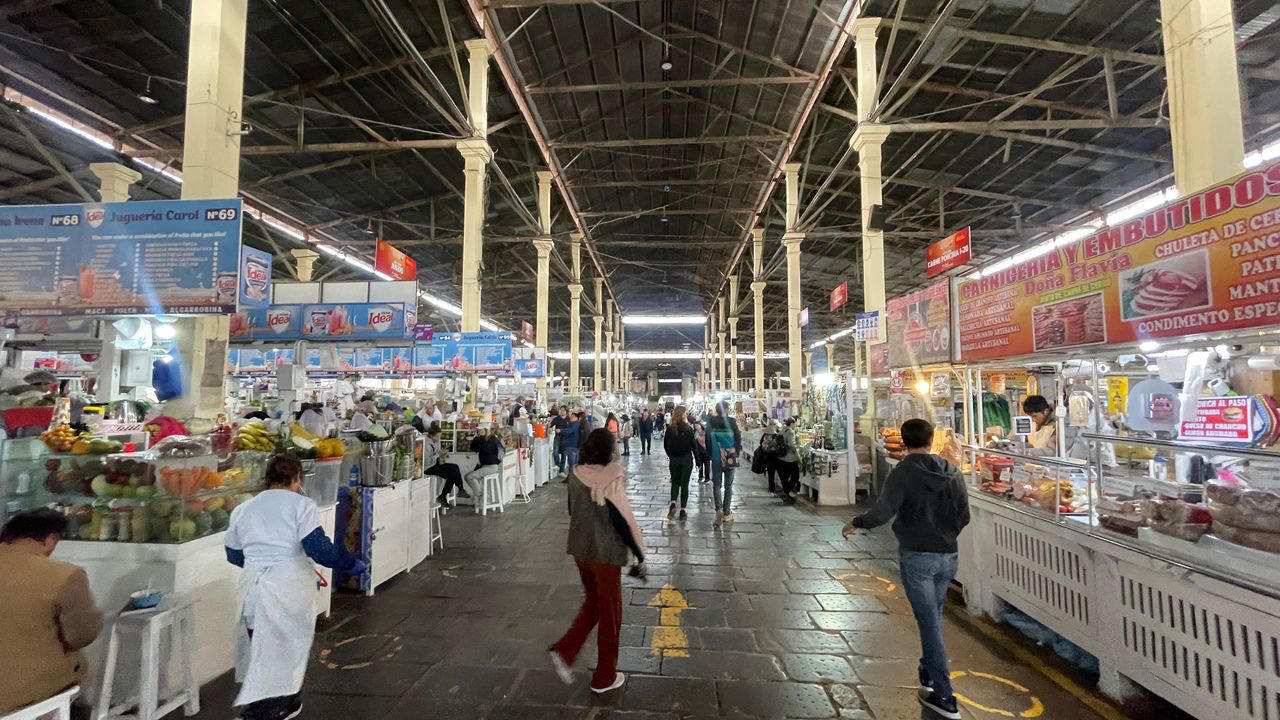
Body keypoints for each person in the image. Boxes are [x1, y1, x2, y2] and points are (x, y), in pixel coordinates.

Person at [842, 419, 970, 720]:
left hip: (917, 557)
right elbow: (963, 515)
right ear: (931, 439)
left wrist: (856, 523)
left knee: (930, 625)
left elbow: (883, 512)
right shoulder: (951, 470)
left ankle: (945, 696)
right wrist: (945, 534)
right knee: (934, 616)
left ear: (904, 441)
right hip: (948, 556)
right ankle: (927, 674)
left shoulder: (903, 473)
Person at [225, 454, 363, 720]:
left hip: (252, 590)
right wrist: (348, 562)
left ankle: (261, 704)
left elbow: (233, 554)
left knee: (262, 647)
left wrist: (259, 563)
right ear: (297, 478)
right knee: (287, 647)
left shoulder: (244, 508)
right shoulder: (302, 505)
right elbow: (318, 548)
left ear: (267, 479)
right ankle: (277, 705)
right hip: (286, 589)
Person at [548, 429, 646, 695]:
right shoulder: (611, 476)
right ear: (609, 450)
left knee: (594, 603)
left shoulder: (575, 474)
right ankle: (605, 677)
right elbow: (623, 519)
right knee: (611, 613)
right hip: (605, 555)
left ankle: (565, 649)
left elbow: (571, 510)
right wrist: (639, 554)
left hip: (581, 550)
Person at [0, 509, 103, 715]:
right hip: (19, 693)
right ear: (50, 539)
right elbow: (82, 636)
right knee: (81, 675)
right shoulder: (65, 575)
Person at [706, 402, 743, 528]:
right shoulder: (732, 422)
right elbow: (738, 437)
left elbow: (707, 438)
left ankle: (718, 509)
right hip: (729, 455)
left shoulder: (711, 421)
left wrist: (710, 453)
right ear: (726, 409)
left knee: (716, 484)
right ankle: (727, 512)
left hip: (716, 455)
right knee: (728, 485)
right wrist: (736, 453)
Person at [662, 406, 697, 521]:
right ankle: (683, 511)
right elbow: (694, 446)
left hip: (674, 459)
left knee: (675, 483)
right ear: (684, 415)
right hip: (686, 459)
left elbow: (665, 444)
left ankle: (673, 503)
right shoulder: (688, 429)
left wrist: (671, 455)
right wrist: (698, 460)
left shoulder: (670, 429)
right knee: (684, 484)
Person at [425, 423, 467, 504]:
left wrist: (443, 456)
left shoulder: (435, 443)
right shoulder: (426, 444)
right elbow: (426, 461)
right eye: (437, 436)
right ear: (431, 435)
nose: (439, 438)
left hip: (435, 465)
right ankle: (456, 491)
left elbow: (440, 462)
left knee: (454, 469)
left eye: (439, 436)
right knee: (453, 470)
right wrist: (438, 455)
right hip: (428, 468)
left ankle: (447, 494)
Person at [465, 424, 505, 499]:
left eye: (480, 430)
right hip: (484, 466)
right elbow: (473, 448)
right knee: (467, 476)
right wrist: (477, 438)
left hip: (491, 466)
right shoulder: (482, 439)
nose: (479, 432)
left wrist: (495, 462)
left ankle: (482, 495)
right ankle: (481, 494)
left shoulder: (492, 439)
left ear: (485, 430)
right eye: (478, 430)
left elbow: (486, 450)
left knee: (470, 477)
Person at [777, 417, 802, 504]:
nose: (796, 425)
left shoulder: (782, 430)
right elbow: (791, 444)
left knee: (785, 477)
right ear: (791, 424)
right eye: (795, 424)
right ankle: (786, 492)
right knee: (795, 476)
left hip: (781, 457)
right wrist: (796, 453)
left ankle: (786, 493)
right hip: (790, 458)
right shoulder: (791, 432)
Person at [550, 407, 570, 475]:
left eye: (563, 410)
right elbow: (550, 426)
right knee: (555, 452)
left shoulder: (569, 419)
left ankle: (561, 471)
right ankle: (557, 465)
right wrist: (550, 428)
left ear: (566, 412)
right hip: (557, 437)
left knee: (564, 454)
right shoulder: (556, 419)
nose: (561, 411)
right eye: (560, 410)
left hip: (566, 438)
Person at [692, 420, 710, 484]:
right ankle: (700, 477)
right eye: (695, 426)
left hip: (706, 451)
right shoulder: (695, 434)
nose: (696, 427)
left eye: (697, 425)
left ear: (700, 425)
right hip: (699, 452)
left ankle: (707, 478)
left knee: (707, 466)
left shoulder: (705, 432)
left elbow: (709, 442)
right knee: (700, 465)